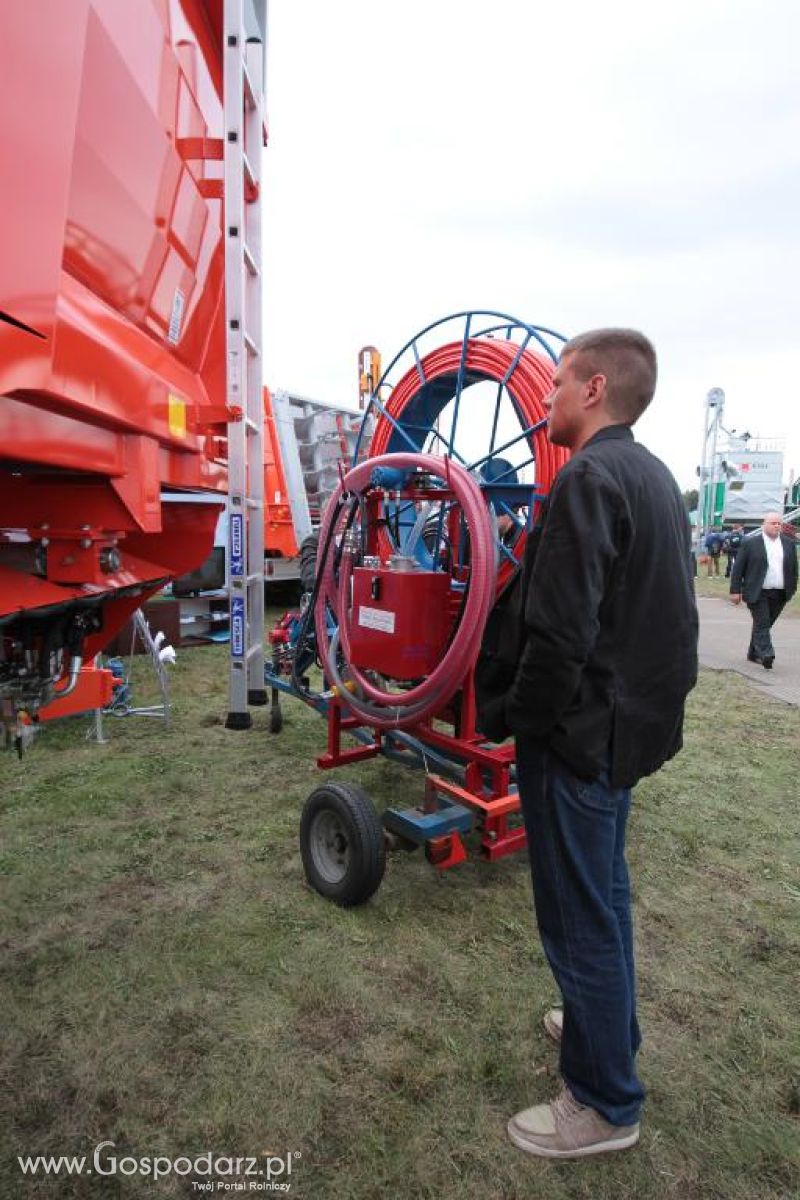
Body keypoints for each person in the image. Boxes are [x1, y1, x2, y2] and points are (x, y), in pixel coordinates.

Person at [476, 328, 698, 1160]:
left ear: (595, 389)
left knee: (579, 921)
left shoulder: (587, 481)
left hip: (577, 743)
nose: (545, 397)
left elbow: (558, 638)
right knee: (603, 900)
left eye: (557, 383)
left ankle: (604, 1103)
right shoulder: (653, 477)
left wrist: (523, 723)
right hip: (624, 734)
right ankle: (605, 1027)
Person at [729, 513, 798, 669]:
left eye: (779, 523)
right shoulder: (751, 543)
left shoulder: (788, 544)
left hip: (780, 592)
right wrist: (735, 590)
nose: (776, 526)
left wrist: (792, 588)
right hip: (757, 591)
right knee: (762, 622)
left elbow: (793, 568)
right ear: (764, 524)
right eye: (773, 523)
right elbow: (738, 568)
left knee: (765, 624)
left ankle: (753, 653)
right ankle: (766, 654)